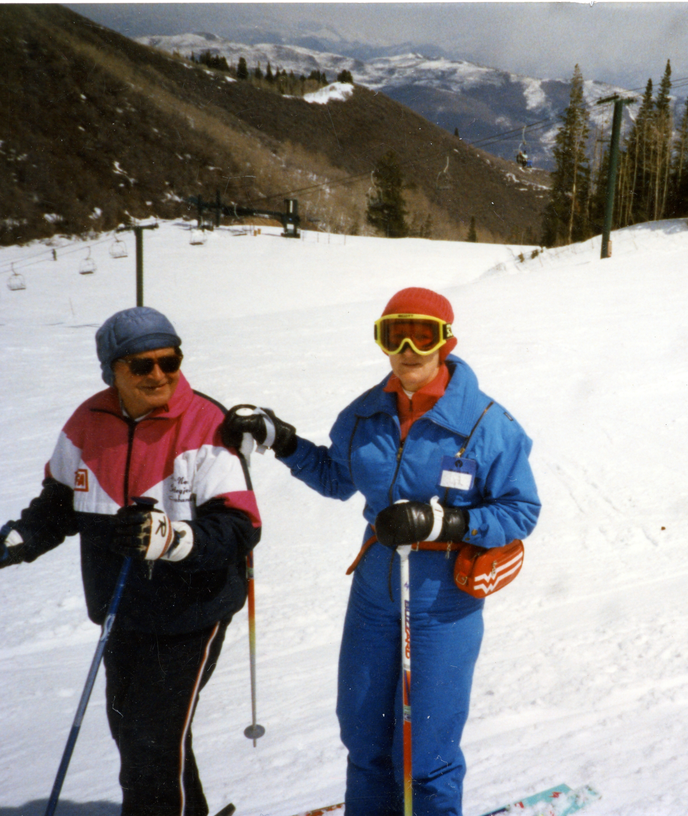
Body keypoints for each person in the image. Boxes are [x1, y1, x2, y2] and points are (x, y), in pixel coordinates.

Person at [220, 286, 540, 816]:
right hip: (374, 592)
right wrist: (283, 442)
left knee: (424, 752)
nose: (409, 348)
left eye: (424, 334)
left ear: (447, 340)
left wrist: (447, 519)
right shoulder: (364, 415)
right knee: (364, 737)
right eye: (396, 335)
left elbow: (520, 510)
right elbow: (337, 478)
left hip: (443, 600)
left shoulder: (488, 426)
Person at [0, 306, 261, 816]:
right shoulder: (88, 421)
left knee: (151, 738)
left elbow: (240, 528)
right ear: (111, 371)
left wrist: (170, 538)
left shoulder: (205, 422)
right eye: (142, 366)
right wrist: (16, 542)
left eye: (170, 360)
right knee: (137, 731)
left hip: (192, 608)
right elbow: (57, 506)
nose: (159, 374)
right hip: (121, 608)